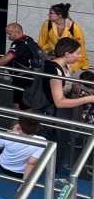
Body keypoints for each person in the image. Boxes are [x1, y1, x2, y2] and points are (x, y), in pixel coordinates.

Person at [39, 38, 94, 170]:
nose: (80, 56)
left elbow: (70, 85)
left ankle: (53, 170)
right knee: (57, 144)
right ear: (67, 54)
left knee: (61, 143)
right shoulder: (54, 70)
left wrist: (83, 92)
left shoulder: (64, 66)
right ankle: (52, 172)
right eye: (78, 53)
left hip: (60, 113)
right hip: (55, 114)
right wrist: (89, 98)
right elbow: (59, 102)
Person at [0, 23, 41, 109]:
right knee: (24, 104)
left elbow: (6, 58)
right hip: (30, 76)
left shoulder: (18, 44)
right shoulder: (29, 40)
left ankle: (20, 118)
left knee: (20, 106)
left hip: (21, 78)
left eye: (9, 33)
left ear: (18, 32)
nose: (7, 36)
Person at [38, 3, 89, 72]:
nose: (48, 14)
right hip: (51, 54)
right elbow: (41, 42)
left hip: (68, 56)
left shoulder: (75, 28)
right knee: (53, 70)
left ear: (60, 15)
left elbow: (81, 47)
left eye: (51, 13)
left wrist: (85, 65)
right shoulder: (47, 23)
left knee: (64, 73)